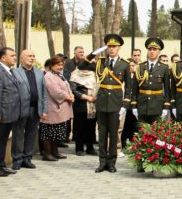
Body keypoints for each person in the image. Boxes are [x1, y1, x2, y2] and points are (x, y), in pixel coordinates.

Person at [89, 34, 130, 173]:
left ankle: (112, 162)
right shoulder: (100, 61)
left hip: (116, 102)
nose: (112, 49)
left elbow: (129, 87)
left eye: (114, 46)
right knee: (101, 133)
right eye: (110, 46)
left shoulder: (124, 64)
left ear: (119, 48)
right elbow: (82, 65)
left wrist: (125, 105)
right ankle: (102, 162)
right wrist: (92, 54)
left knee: (113, 134)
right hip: (101, 101)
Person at [0, 47, 21, 177]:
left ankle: (1, 164)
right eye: (12, 55)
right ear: (3, 58)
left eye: (14, 55)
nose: (14, 58)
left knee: (2, 140)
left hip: (10, 113)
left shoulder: (9, 71)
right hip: (1, 114)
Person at [10, 49, 46, 171]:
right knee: (18, 135)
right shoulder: (15, 72)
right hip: (21, 109)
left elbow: (43, 92)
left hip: (35, 108)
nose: (32, 58)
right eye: (29, 56)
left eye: (33, 56)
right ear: (22, 58)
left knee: (31, 134)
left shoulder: (40, 73)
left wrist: (44, 109)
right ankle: (17, 159)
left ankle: (27, 158)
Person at [128, 37, 172, 126]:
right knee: (142, 134)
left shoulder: (164, 68)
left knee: (156, 134)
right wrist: (134, 105)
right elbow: (135, 88)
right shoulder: (140, 67)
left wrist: (166, 107)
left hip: (157, 106)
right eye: (150, 49)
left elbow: (167, 89)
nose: (152, 52)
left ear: (159, 51)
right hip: (142, 105)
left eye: (155, 49)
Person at [40, 56, 74, 161]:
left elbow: (67, 87)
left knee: (57, 132)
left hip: (61, 109)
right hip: (52, 108)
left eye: (61, 65)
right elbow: (55, 92)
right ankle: (47, 153)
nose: (60, 67)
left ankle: (55, 152)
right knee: (49, 132)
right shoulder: (49, 76)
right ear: (51, 66)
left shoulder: (59, 75)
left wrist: (71, 94)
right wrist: (67, 97)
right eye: (58, 65)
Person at [69, 54, 98, 157]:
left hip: (93, 106)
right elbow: (73, 90)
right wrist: (87, 97)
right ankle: (79, 148)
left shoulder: (94, 75)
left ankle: (90, 148)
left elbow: (97, 86)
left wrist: (96, 96)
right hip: (80, 105)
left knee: (91, 127)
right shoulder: (75, 75)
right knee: (79, 127)